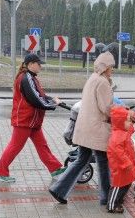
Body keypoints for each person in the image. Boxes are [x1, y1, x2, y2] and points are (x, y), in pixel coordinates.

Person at [48, 51, 115, 206]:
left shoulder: (92, 78)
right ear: (105, 67)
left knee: (81, 160)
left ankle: (58, 189)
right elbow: (106, 108)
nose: (112, 70)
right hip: (96, 129)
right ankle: (106, 197)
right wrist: (120, 113)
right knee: (103, 163)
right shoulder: (103, 82)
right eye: (111, 67)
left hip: (85, 127)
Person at [0, 53, 65, 183]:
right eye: (39, 64)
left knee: (42, 146)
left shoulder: (32, 78)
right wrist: (52, 104)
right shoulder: (25, 78)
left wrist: (52, 100)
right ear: (31, 64)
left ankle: (55, 169)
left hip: (33, 122)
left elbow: (41, 96)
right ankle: (1, 171)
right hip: (24, 121)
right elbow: (35, 100)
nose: (41, 67)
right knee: (15, 147)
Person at [106, 106, 135, 213]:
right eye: (127, 121)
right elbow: (118, 152)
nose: (129, 123)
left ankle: (119, 201)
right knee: (118, 185)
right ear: (120, 122)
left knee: (127, 183)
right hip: (120, 165)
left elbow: (130, 128)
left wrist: (131, 118)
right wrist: (127, 163)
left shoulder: (123, 130)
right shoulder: (117, 136)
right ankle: (111, 205)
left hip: (126, 164)